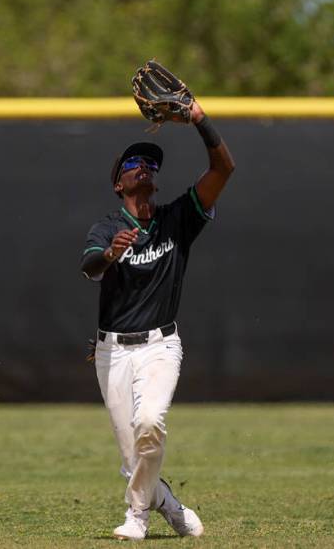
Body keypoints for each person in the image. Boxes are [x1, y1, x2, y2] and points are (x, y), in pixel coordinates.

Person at [80, 99, 235, 540]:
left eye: (150, 162)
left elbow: (224, 170)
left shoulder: (177, 219)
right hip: (111, 351)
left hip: (159, 345)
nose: (144, 166)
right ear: (118, 184)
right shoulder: (108, 227)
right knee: (134, 459)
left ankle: (138, 516)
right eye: (134, 163)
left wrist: (200, 122)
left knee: (150, 422)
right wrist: (112, 254)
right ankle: (165, 500)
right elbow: (90, 267)